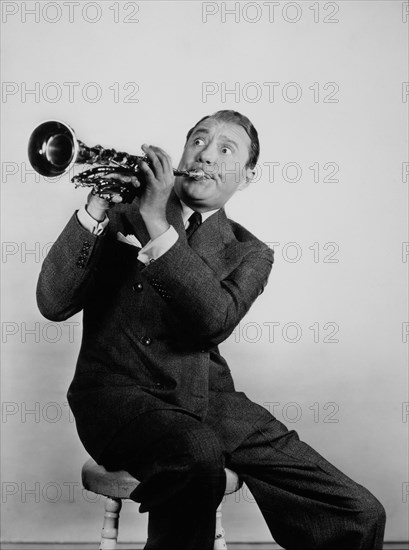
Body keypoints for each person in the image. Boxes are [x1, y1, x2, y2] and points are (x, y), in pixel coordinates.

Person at [37, 110, 385, 550]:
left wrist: (158, 226)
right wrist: (95, 210)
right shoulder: (120, 214)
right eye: (198, 142)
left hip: (209, 398)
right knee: (195, 452)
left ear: (247, 175)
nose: (205, 155)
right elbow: (52, 303)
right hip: (115, 396)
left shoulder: (250, 252)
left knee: (359, 513)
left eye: (225, 149)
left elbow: (211, 322)